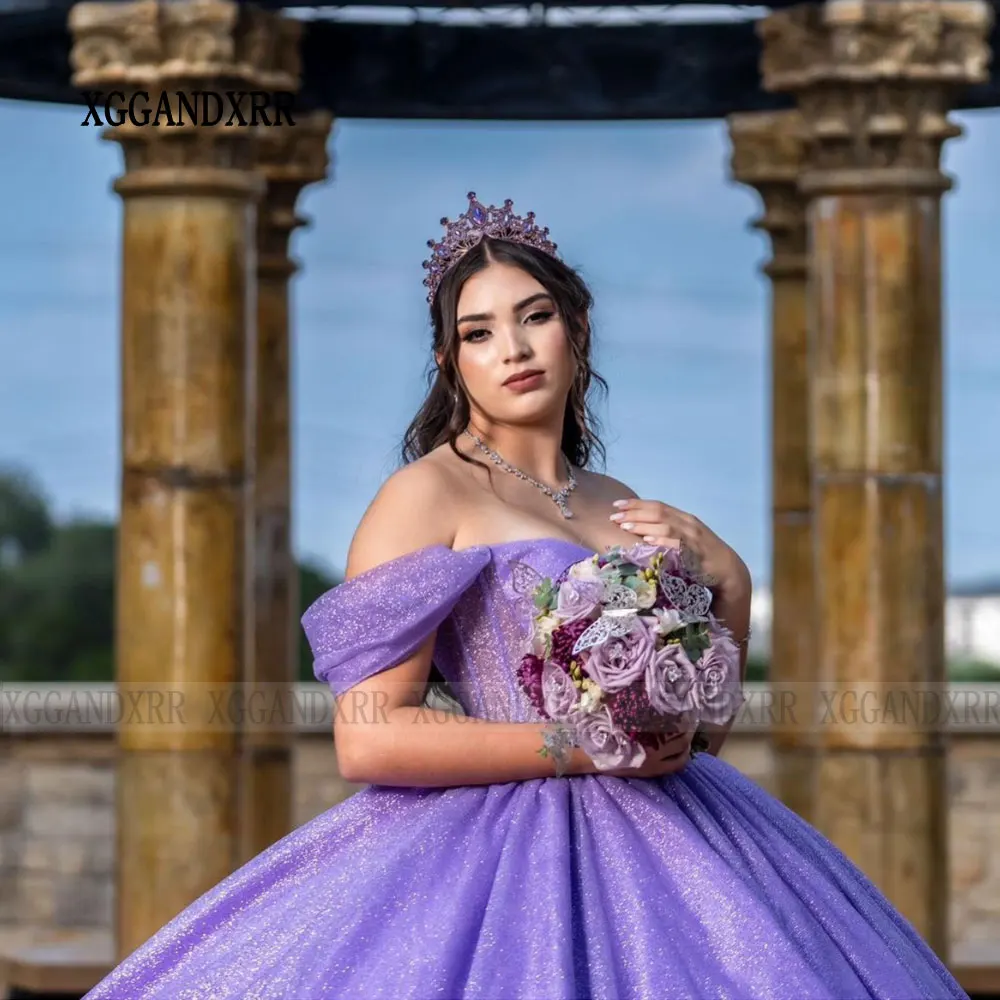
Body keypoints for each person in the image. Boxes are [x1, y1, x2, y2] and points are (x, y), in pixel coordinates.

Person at [83, 193, 967, 1000]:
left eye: (534, 317)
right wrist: (582, 746)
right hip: (498, 854)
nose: (511, 348)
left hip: (689, 839)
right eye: (478, 332)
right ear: (447, 359)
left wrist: (727, 577)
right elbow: (368, 733)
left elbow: (702, 734)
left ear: (575, 328)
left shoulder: (612, 496)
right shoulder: (428, 493)